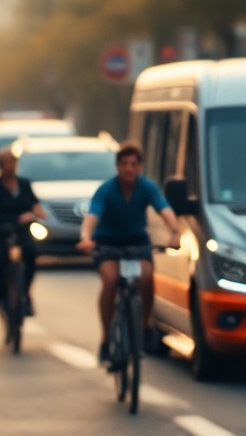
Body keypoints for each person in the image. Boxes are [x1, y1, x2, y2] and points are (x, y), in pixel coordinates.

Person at [76, 143, 180, 364]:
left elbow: (164, 210)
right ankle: (106, 338)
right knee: (111, 280)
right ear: (117, 166)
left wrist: (175, 231)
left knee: (146, 276)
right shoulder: (106, 189)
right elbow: (93, 215)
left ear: (140, 167)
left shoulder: (147, 187)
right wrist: (86, 238)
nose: (129, 169)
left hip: (136, 244)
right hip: (107, 244)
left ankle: (144, 327)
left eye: (133, 164)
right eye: (124, 164)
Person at [0, 147, 46, 316]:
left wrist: (31, 215)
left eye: (11, 162)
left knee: (31, 253)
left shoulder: (24, 184)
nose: (8, 166)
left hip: (21, 230)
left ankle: (25, 293)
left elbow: (38, 209)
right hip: (0, 231)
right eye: (4, 163)